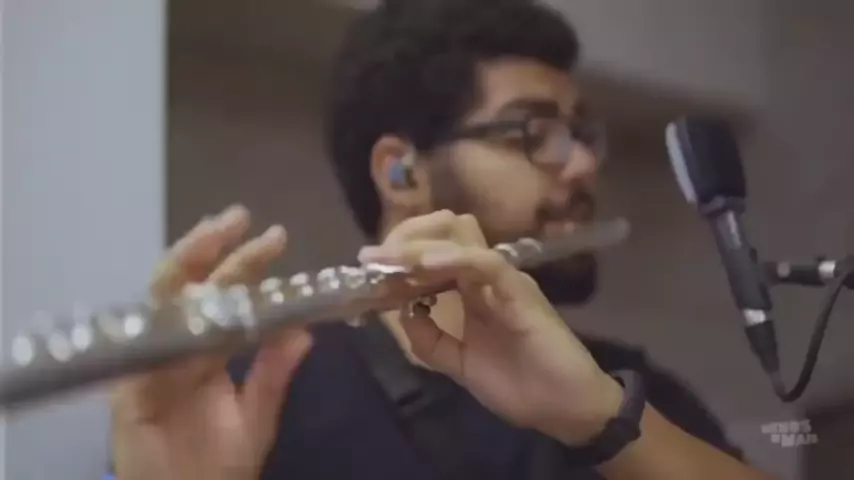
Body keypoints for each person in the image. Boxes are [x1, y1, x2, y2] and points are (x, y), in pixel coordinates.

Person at [110, 0, 775, 479]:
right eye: (532, 132)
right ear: (401, 172)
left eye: (580, 134)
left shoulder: (629, 387)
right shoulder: (256, 394)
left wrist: (606, 418)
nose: (581, 164)